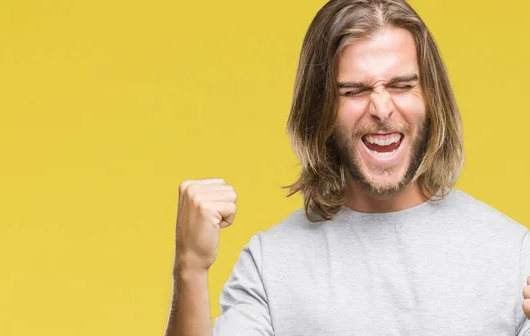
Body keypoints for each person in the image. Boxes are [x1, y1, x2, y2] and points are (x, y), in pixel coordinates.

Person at [165, 0, 530, 335]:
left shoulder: (516, 258)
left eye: (402, 85)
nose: (382, 109)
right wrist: (190, 268)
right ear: (319, 110)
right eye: (354, 91)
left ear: (432, 99)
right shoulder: (270, 267)